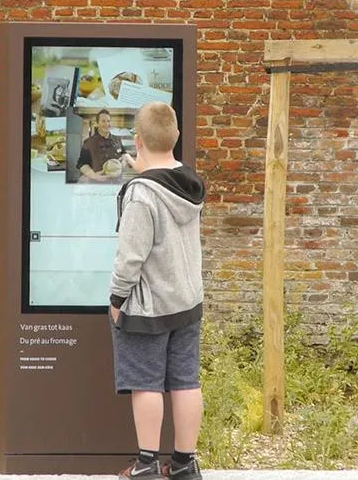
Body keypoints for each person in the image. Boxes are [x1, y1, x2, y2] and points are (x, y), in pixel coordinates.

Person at [109, 101, 206, 480]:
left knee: (145, 383)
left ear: (137, 141)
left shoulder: (141, 194)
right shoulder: (190, 184)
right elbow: (163, 175)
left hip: (148, 308)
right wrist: (144, 169)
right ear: (176, 136)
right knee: (186, 382)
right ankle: (184, 464)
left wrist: (117, 299)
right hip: (187, 301)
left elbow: (131, 256)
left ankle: (147, 464)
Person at [76, 109, 128, 182]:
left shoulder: (117, 139)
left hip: (117, 182)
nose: (107, 124)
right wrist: (94, 176)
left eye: (108, 121)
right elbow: (82, 164)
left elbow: (124, 154)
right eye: (103, 121)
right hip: (98, 184)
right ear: (97, 123)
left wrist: (123, 163)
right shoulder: (89, 142)